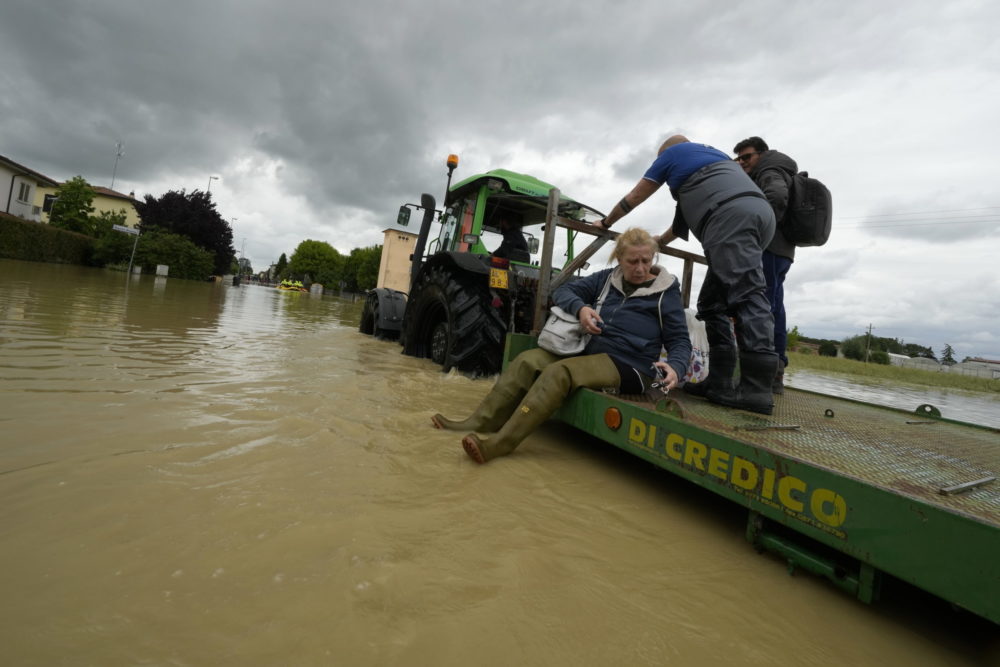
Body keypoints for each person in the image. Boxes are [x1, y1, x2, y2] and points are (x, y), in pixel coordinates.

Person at [432, 227, 692, 464]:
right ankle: (480, 422)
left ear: (653, 259)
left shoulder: (665, 293)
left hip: (633, 366)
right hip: (591, 350)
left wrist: (676, 368)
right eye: (632, 261)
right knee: (527, 360)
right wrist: (581, 309)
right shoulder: (606, 279)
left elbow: (679, 340)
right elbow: (564, 292)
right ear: (619, 259)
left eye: (646, 261)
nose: (639, 268)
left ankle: (499, 444)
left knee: (559, 372)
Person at [596, 135, 778, 415]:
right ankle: (717, 382)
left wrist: (606, 222)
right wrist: (656, 243)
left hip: (729, 216)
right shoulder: (709, 164)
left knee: (748, 295)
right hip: (758, 214)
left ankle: (756, 389)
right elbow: (679, 226)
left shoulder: (673, 154)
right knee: (712, 304)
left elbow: (636, 196)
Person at [732, 136, 798, 394]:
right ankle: (775, 372)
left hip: (770, 247)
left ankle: (761, 376)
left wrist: (757, 234)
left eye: (746, 157)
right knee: (773, 307)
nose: (742, 162)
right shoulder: (777, 169)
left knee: (761, 307)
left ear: (761, 154)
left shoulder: (770, 170)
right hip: (782, 250)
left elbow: (776, 197)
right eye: (738, 158)